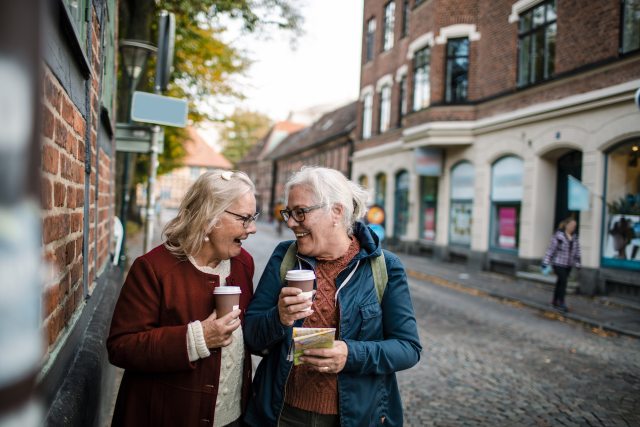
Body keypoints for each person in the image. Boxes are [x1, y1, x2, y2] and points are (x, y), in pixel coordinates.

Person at [244, 166, 422, 427]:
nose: (291, 222)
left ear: (336, 212)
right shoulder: (285, 258)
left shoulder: (384, 266)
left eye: (300, 212)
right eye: (289, 213)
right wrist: (279, 318)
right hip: (283, 414)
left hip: (354, 418)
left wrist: (350, 354)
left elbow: (408, 348)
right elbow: (252, 337)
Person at [107, 170, 259, 427]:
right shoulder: (154, 268)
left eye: (253, 218)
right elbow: (122, 347)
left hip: (232, 418)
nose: (252, 229)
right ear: (210, 218)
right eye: (244, 219)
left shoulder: (243, 264)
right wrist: (198, 338)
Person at [542, 217, 582, 312]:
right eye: (572, 225)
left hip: (568, 264)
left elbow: (577, 251)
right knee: (563, 282)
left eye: (575, 226)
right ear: (566, 225)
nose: (573, 227)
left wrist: (578, 263)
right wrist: (546, 262)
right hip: (558, 263)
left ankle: (554, 301)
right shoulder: (558, 236)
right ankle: (561, 302)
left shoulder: (575, 237)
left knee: (560, 282)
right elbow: (551, 249)